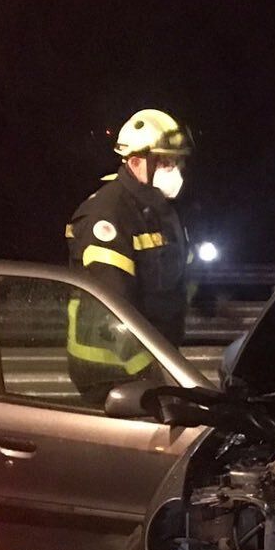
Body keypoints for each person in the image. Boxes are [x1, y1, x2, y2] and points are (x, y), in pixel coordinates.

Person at [65, 108, 194, 399]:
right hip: (109, 371)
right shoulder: (106, 216)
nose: (174, 169)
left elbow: (176, 278)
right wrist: (155, 371)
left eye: (176, 161)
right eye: (165, 161)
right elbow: (115, 308)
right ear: (136, 162)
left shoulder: (160, 212)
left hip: (152, 360)